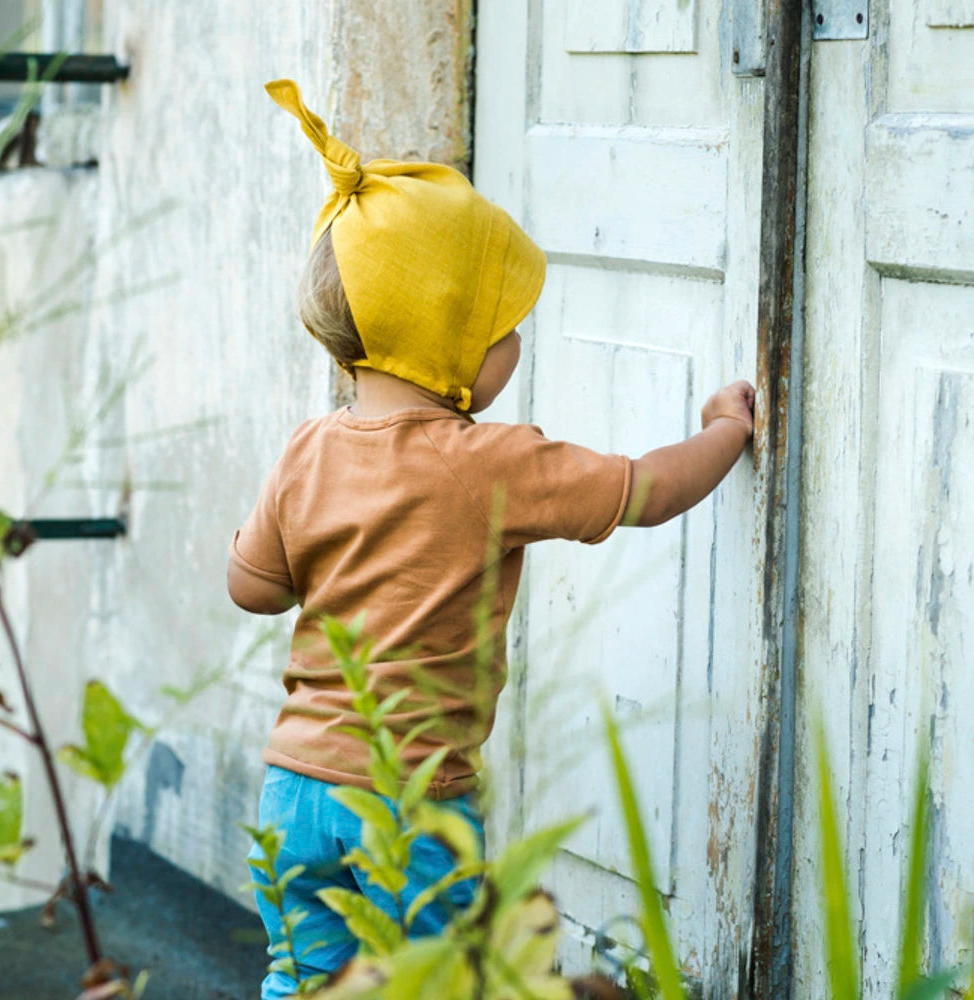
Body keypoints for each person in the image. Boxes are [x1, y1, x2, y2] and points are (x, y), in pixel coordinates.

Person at [228, 78, 755, 999]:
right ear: (451, 340)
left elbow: (253, 589)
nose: (516, 347)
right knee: (431, 981)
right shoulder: (486, 464)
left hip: (293, 786)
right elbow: (648, 492)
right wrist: (725, 428)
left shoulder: (308, 449)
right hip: (407, 803)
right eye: (505, 330)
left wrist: (277, 536)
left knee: (304, 977)